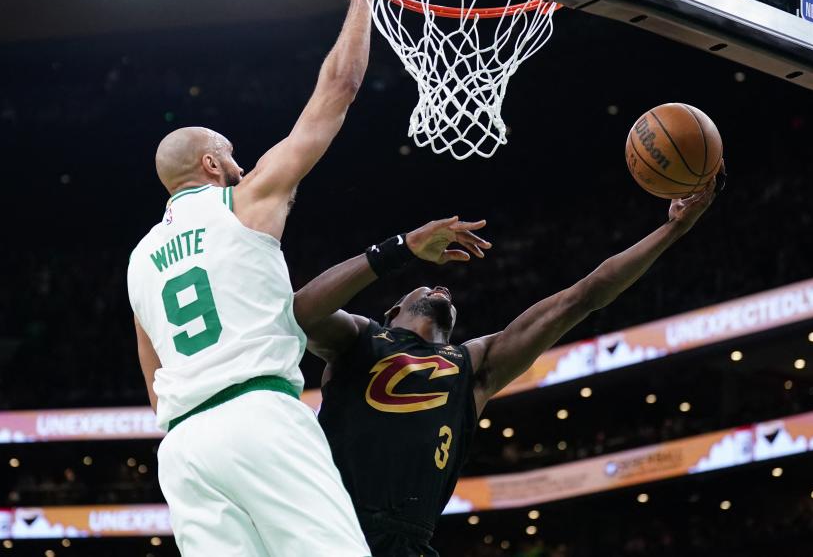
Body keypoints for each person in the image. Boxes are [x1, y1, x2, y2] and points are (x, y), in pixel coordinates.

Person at [294, 168, 725, 556]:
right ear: (391, 312)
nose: (442, 287)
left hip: (406, 543)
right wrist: (403, 248)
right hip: (327, 523)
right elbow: (301, 311)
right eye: (425, 286)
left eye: (450, 297)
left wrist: (673, 229)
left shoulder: (475, 364)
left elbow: (582, 297)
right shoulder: (362, 337)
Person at [126, 0, 376, 556]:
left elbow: (155, 381)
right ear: (211, 164)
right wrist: (361, 1)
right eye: (231, 155)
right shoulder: (242, 202)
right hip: (257, 415)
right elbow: (336, 92)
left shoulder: (138, 261)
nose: (242, 166)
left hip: (184, 448)